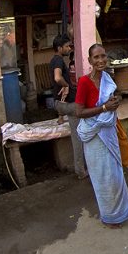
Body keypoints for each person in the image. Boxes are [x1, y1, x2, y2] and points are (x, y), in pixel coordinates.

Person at [75, 43, 128, 226]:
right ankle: (110, 216)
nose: (100, 60)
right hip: (94, 137)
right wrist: (103, 107)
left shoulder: (108, 78)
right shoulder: (84, 82)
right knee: (102, 178)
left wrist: (115, 101)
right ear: (90, 61)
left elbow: (114, 97)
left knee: (115, 174)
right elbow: (79, 112)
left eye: (103, 56)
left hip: (108, 132)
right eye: (96, 57)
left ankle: (121, 212)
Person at [51, 34, 86, 180]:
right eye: (66, 46)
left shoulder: (56, 60)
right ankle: (81, 170)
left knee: (79, 132)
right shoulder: (58, 60)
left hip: (63, 104)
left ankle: (82, 167)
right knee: (78, 136)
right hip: (68, 105)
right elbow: (57, 78)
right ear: (60, 48)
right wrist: (65, 85)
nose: (69, 48)